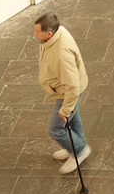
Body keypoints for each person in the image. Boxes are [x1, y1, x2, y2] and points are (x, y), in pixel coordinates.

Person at [34, 11, 91, 175]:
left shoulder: (61, 53)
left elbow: (72, 86)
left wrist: (65, 109)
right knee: (74, 119)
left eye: (37, 31)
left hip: (68, 92)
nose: (35, 34)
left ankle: (79, 150)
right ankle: (74, 146)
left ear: (49, 33)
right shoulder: (56, 35)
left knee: (55, 128)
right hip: (65, 89)